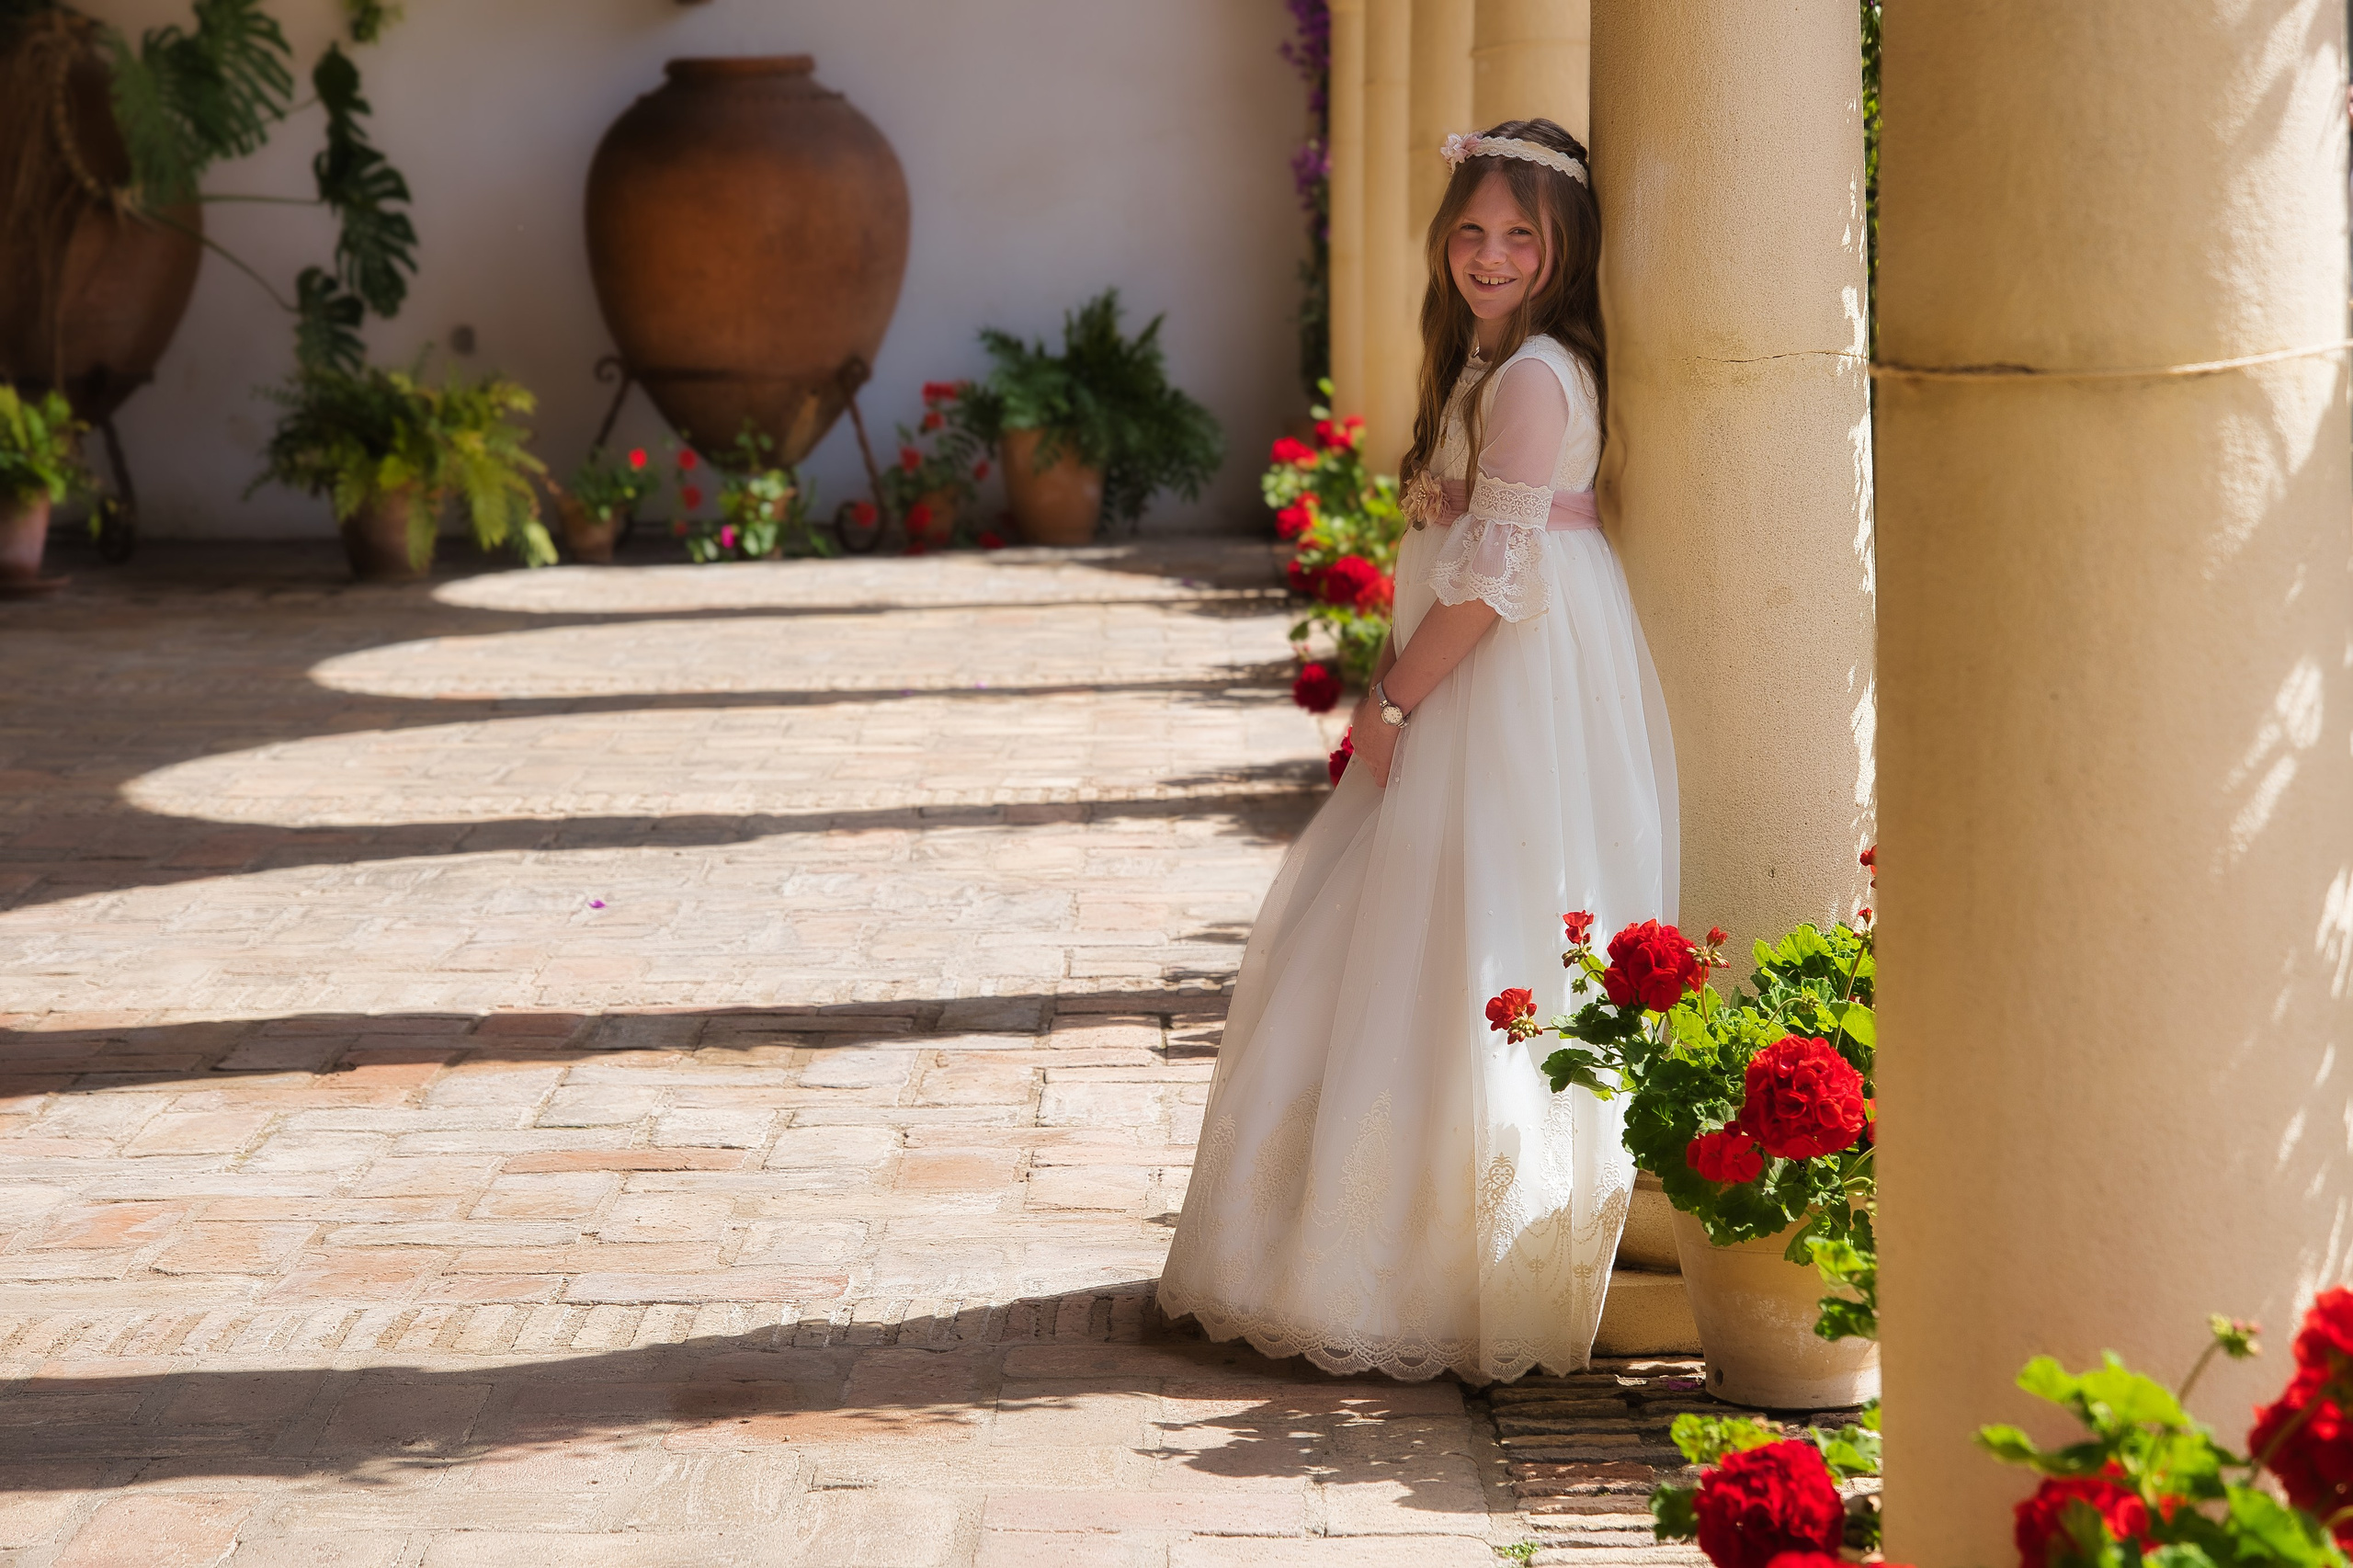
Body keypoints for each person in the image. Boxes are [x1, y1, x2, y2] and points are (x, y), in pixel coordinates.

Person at [1157, 119, 1677, 1383]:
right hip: (1508, 658)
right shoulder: (1504, 370)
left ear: (1563, 250)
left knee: (1461, 924)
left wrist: (1390, 699)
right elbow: (1498, 518)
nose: (1489, 257)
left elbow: (1498, 578)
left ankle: (1427, 1251)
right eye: (1471, 233)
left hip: (1498, 675)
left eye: (1519, 236)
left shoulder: (1536, 375)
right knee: (1436, 926)